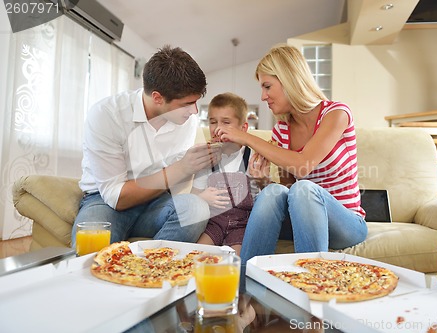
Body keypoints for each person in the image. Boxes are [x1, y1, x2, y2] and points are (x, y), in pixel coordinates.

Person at [214, 44, 368, 265]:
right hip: (302, 219)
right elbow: (289, 191)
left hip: (346, 222)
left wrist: (246, 137)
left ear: (289, 80)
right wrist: (262, 180)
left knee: (305, 187)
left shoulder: (336, 114)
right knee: (275, 192)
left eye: (267, 86)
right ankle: (247, 285)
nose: (263, 96)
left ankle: (311, 284)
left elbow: (303, 165)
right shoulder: (282, 131)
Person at [72, 45, 221, 246]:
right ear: (158, 98)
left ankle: (147, 268)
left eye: (196, 102)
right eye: (186, 104)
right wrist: (182, 168)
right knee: (88, 248)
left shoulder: (186, 121)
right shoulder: (107, 115)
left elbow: (176, 185)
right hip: (104, 201)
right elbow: (116, 197)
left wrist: (199, 166)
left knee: (195, 209)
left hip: (157, 201)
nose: (194, 111)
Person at [192, 92, 264, 255]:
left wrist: (259, 179)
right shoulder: (207, 157)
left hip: (241, 226)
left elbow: (262, 201)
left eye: (226, 122)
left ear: (243, 128)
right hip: (213, 224)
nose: (218, 128)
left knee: (234, 260)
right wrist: (203, 197)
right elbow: (193, 196)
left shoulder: (253, 157)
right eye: (212, 122)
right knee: (196, 256)